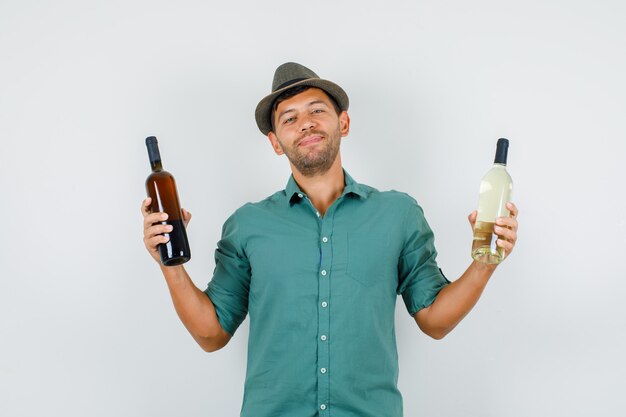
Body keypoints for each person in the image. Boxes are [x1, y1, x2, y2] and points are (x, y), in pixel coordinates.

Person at [141, 62, 519, 417]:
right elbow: (211, 334)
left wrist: (486, 261)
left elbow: (435, 320)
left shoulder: (398, 215)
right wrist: (168, 265)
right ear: (276, 142)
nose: (304, 123)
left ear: (344, 122)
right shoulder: (247, 225)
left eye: (316, 110)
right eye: (289, 118)